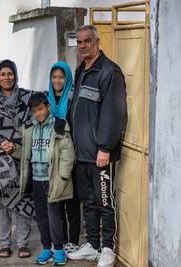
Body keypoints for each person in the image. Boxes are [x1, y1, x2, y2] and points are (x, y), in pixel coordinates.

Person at [67, 25, 127, 267]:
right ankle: (91, 244)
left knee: (105, 202)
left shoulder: (109, 72)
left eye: (87, 41)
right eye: (80, 42)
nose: (83, 45)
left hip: (100, 154)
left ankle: (108, 248)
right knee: (88, 202)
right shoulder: (81, 70)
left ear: (97, 43)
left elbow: (114, 113)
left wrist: (105, 148)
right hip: (81, 153)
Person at [11, 92, 75, 265]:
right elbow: (26, 152)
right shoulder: (29, 127)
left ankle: (59, 250)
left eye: (40, 109)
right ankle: (47, 248)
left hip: (53, 179)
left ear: (47, 107)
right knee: (41, 216)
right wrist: (12, 150)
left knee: (55, 215)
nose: (38, 113)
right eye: (34, 111)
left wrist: (62, 176)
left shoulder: (59, 125)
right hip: (37, 180)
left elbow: (67, 153)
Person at [0, 59, 34, 259]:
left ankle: (22, 243)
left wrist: (19, 145)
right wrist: (1, 144)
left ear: (15, 75)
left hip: (23, 155)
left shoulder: (27, 98)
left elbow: (35, 122)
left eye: (10, 73)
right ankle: (4, 243)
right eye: (2, 74)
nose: (6, 77)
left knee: (24, 200)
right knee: (2, 202)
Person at [47, 62, 81, 254]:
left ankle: (73, 240)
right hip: (52, 158)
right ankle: (59, 240)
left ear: (67, 78)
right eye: (54, 77)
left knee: (72, 202)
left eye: (61, 77)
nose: (57, 80)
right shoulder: (47, 100)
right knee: (56, 201)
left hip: (70, 156)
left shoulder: (73, 98)